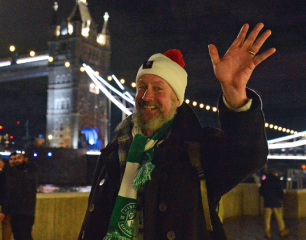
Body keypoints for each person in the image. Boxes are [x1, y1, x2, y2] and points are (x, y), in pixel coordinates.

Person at [78, 23, 274, 240]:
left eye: (158, 88)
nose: (146, 97)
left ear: (177, 98)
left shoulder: (198, 149)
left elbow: (249, 156)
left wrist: (234, 93)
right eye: (141, 87)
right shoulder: (114, 150)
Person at [0, 152, 38, 240]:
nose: (16, 161)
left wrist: (5, 167)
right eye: (15, 158)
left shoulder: (30, 171)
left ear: (25, 159)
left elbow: (21, 177)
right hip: (15, 212)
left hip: (25, 213)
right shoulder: (16, 173)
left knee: (25, 236)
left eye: (19, 158)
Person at [259, 170, 289, 239]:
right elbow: (280, 192)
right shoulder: (277, 181)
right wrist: (281, 198)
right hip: (277, 202)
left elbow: (261, 191)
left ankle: (267, 232)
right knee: (279, 217)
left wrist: (266, 196)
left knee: (267, 217)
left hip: (267, 202)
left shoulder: (265, 182)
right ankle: (282, 230)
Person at [0, 152, 17, 240]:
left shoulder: (5, 174)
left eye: (15, 159)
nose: (13, 161)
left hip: (15, 209)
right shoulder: (6, 174)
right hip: (9, 208)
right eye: (11, 159)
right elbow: (4, 192)